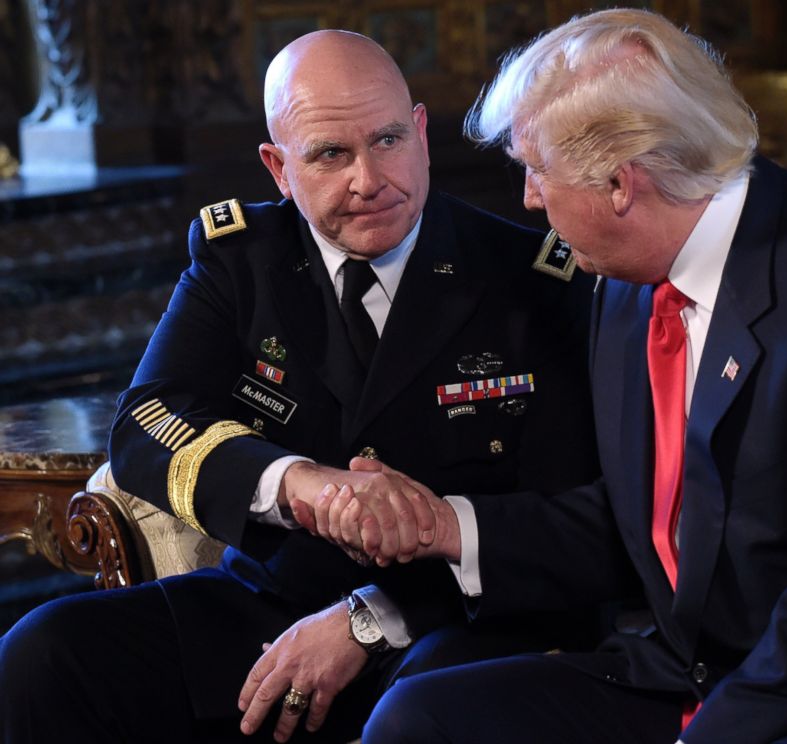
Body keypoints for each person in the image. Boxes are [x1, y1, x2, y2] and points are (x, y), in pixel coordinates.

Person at [327, 9, 787, 743]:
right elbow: (643, 521)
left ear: (620, 184)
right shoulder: (624, 284)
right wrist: (445, 528)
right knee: (420, 722)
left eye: (534, 170)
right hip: (691, 674)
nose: (529, 200)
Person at [0, 30, 604, 743]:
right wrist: (302, 486)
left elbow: (576, 521)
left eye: (385, 141)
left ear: (421, 134)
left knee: (421, 713)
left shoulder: (531, 280)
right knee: (45, 652)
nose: (368, 179)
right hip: (270, 607)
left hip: (452, 620)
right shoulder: (240, 261)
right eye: (329, 155)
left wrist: (370, 618)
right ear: (279, 169)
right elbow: (147, 424)